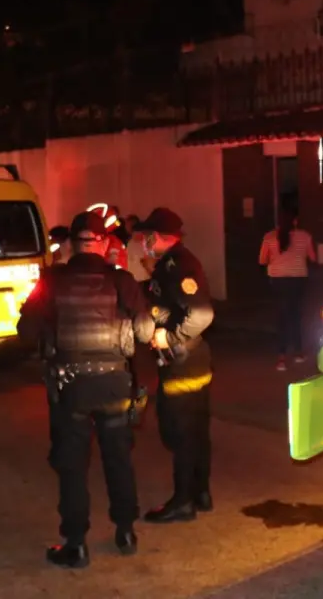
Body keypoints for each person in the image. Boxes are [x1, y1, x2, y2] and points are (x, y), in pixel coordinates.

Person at [17, 210, 153, 569]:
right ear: (105, 243)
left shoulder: (52, 280)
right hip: (114, 386)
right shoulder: (122, 281)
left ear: (70, 245)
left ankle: (76, 544)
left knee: (72, 466)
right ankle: (125, 531)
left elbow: (24, 331)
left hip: (70, 388)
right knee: (118, 459)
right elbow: (144, 333)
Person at [137, 207, 215, 523]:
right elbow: (164, 300)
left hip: (184, 362)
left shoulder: (179, 266)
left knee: (179, 431)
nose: (143, 241)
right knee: (195, 430)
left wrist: (170, 337)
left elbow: (202, 314)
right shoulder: (170, 265)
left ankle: (184, 500)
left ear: (158, 237)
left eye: (146, 236)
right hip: (191, 360)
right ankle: (200, 492)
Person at [258, 205, 317, 371]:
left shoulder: (269, 237)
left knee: (282, 317)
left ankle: (281, 358)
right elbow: (312, 257)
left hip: (278, 281)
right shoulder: (305, 236)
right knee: (296, 314)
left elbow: (262, 260)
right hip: (298, 280)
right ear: (295, 221)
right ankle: (298, 353)